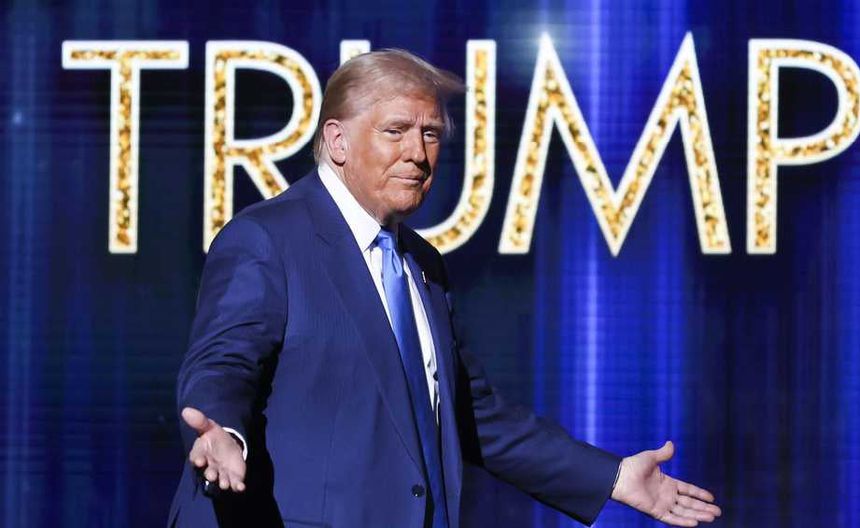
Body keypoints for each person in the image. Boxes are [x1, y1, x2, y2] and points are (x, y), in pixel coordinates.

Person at [168, 49, 721, 528]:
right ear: (337, 140)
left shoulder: (421, 263)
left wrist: (611, 477)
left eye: (430, 133)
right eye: (396, 131)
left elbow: (472, 415)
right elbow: (223, 364)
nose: (418, 152)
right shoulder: (268, 238)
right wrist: (223, 432)